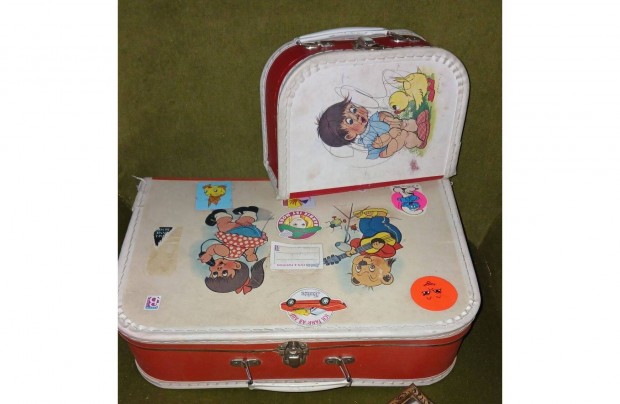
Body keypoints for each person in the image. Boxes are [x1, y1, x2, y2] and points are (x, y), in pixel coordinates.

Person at [317, 96, 425, 159]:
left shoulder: (372, 120)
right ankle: (419, 142)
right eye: (350, 121)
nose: (357, 115)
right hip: (385, 149)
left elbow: (382, 115)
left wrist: (391, 120)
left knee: (402, 123)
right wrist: (391, 134)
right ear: (350, 135)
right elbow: (379, 143)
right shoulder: (367, 138)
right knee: (403, 135)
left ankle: (419, 125)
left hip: (390, 133)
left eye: (353, 110)